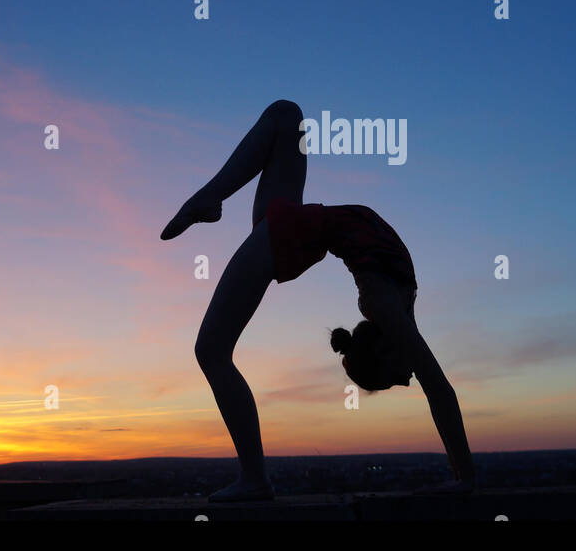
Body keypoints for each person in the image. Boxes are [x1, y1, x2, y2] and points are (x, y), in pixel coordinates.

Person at [160, 99, 476, 502]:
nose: (409, 376)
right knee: (285, 114)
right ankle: (208, 197)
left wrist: (462, 477)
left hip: (293, 234)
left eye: (398, 379)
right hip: (294, 224)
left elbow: (435, 386)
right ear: (383, 350)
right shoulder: (392, 310)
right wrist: (464, 476)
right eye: (400, 376)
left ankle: (255, 479)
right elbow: (440, 389)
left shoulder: (386, 306)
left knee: (211, 351)